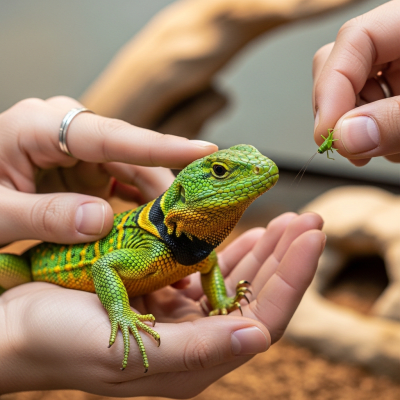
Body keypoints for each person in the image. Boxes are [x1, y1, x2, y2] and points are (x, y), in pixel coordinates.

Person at [0, 97, 325, 397]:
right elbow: (103, 265)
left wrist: (222, 301)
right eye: (221, 172)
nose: (258, 168)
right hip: (31, 269)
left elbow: (210, 266)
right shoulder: (151, 250)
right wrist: (120, 312)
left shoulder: (197, 253)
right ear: (183, 193)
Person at [312, 0, 400, 166]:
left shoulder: (328, 139)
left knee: (332, 122)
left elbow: (328, 137)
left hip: (338, 130)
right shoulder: (327, 145)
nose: (323, 150)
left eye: (323, 149)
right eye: (323, 150)